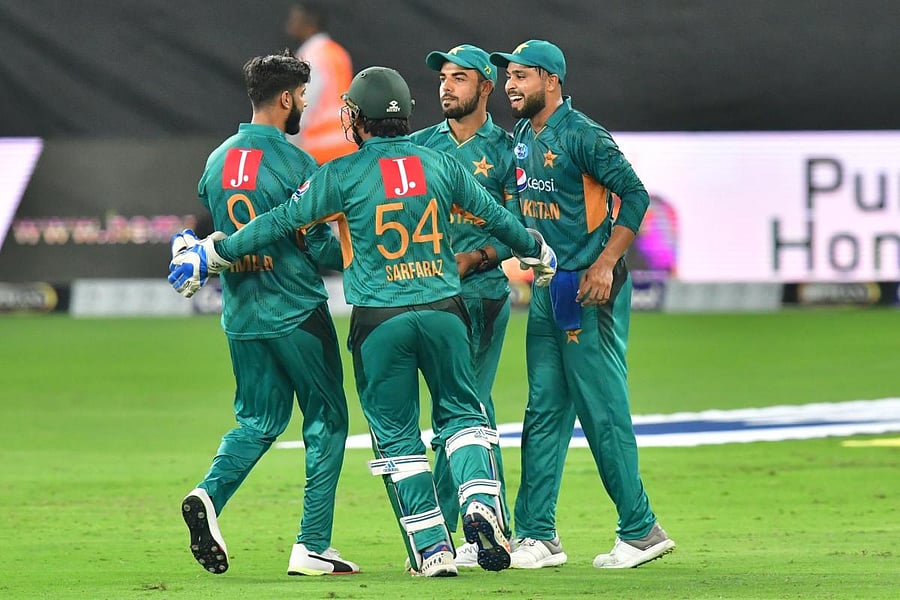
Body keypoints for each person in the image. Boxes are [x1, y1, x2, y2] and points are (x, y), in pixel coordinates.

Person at [168, 65, 558, 578]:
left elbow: (279, 223)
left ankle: (432, 552)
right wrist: (537, 249)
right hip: (444, 312)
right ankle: (480, 505)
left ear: (358, 117)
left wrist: (215, 253)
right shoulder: (440, 163)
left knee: (398, 440)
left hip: (379, 324)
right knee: (463, 417)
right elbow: (499, 218)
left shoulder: (339, 174)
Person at [488, 40, 676, 569]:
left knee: (601, 408)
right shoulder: (523, 135)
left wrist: (603, 264)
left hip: (588, 287)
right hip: (550, 285)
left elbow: (635, 195)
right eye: (508, 77)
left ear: (551, 80)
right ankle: (538, 534)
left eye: (521, 76)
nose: (511, 85)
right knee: (543, 409)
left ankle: (640, 529)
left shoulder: (584, 136)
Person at [177, 50, 359, 577]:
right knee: (327, 419)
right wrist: (358, 243)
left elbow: (215, 227)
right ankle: (312, 545)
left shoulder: (216, 160)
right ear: (285, 98)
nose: (305, 103)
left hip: (241, 313)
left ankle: (208, 495)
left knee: (258, 420)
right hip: (296, 310)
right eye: (302, 96)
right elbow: (321, 249)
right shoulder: (294, 162)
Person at [409, 44, 517, 569]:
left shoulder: (507, 150)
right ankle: (489, 521)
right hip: (427, 297)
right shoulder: (418, 146)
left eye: (459, 78)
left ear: (486, 88)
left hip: (481, 297)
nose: (446, 87)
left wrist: (477, 256)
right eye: (443, 78)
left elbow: (522, 228)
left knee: (462, 408)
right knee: (466, 408)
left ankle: (448, 531)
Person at [285, 1, 357, 164]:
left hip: (318, 153)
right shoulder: (338, 53)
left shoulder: (310, 57)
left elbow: (302, 107)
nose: (290, 22)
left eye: (295, 18)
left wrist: (289, 151)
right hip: (346, 147)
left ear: (310, 22)